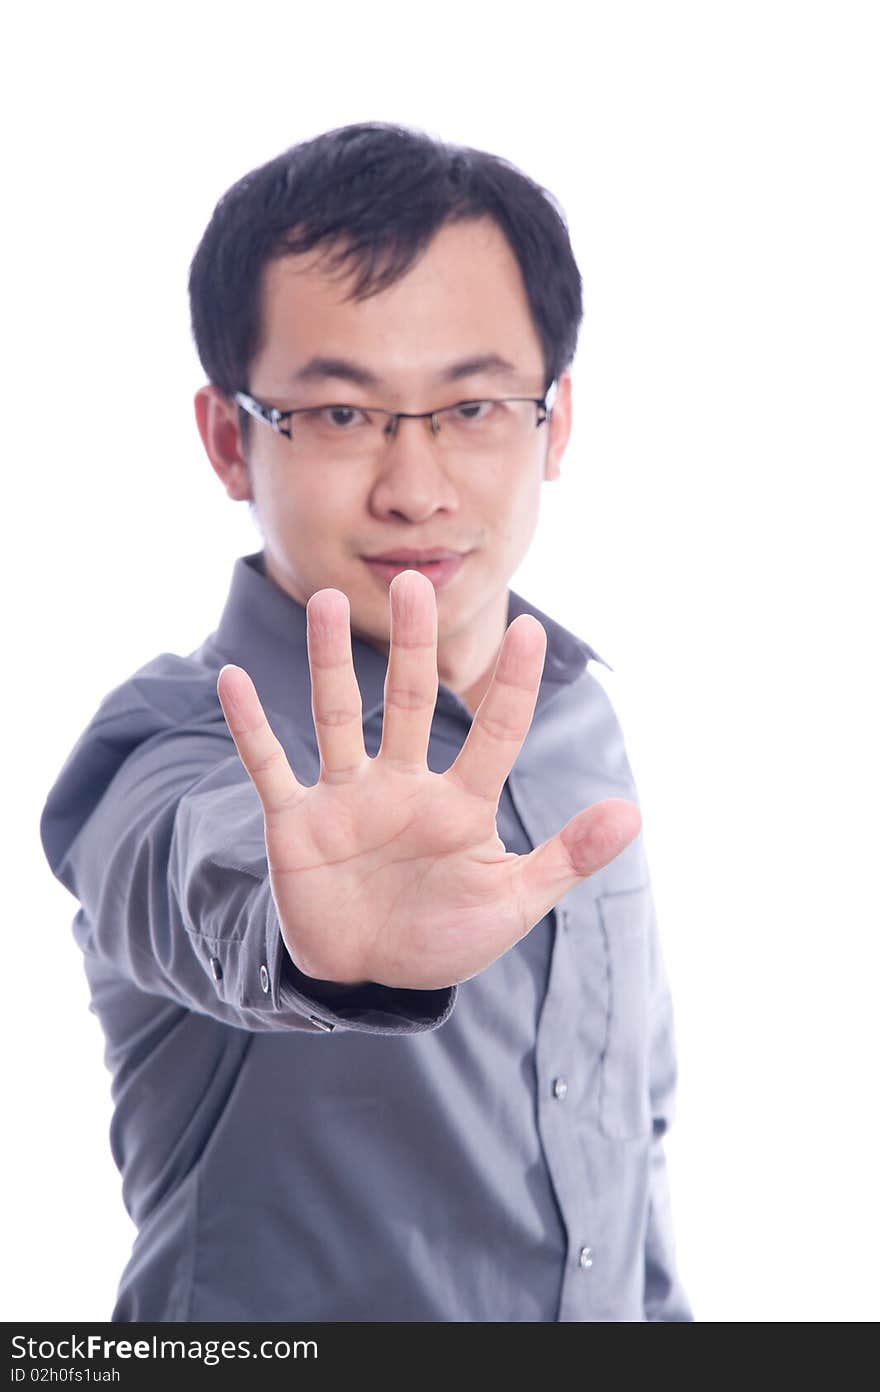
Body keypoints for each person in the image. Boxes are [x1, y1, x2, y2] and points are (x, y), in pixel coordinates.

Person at [39, 121, 692, 1322]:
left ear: (554, 423)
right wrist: (311, 934)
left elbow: (623, 1151)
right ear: (230, 439)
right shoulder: (168, 747)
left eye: (475, 405)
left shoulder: (574, 720)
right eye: (340, 415)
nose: (416, 484)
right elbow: (190, 872)